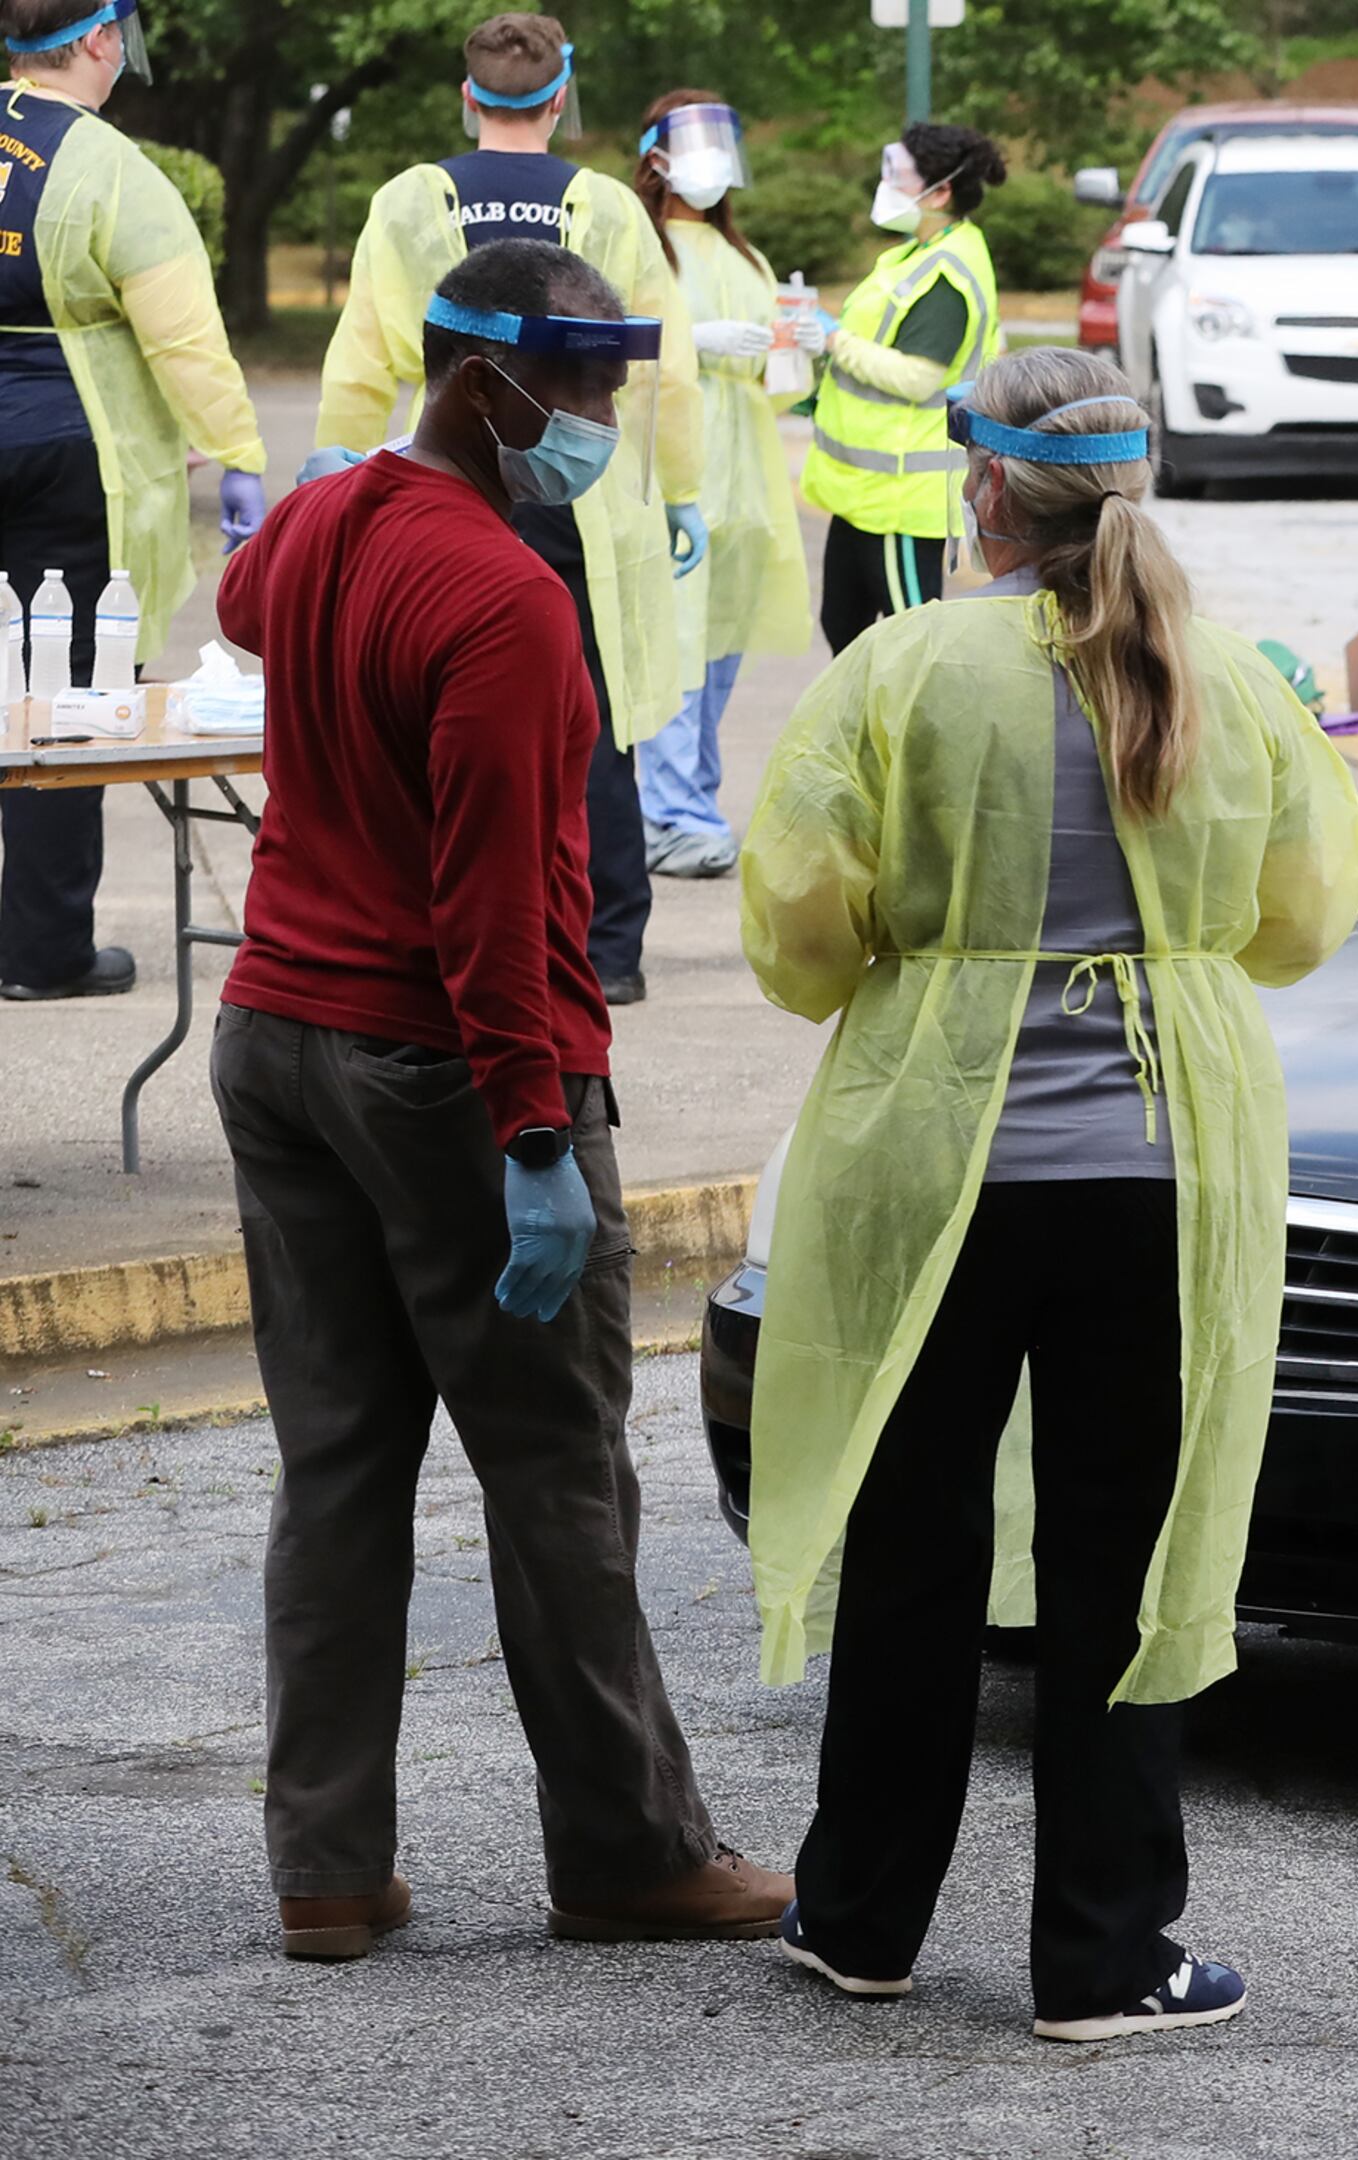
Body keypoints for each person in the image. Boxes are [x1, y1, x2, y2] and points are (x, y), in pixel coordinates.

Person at [739, 346, 1358, 2038]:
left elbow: (801, 916)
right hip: (1163, 1176)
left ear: (984, 493)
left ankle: (860, 1917)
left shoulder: (904, 665)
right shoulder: (1223, 674)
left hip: (938, 1161)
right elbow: (1307, 912)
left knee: (914, 1543)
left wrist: (906, 961)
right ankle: (1105, 1958)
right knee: (1125, 1556)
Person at [211, 239, 792, 1960]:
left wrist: (338, 514)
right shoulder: (509, 600)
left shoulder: (321, 521)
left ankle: (327, 1871)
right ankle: (627, 1852)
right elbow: (495, 912)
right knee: (555, 1472)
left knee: (336, 1468)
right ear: (490, 384)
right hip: (440, 1074)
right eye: (588, 388)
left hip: (275, 1040)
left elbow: (244, 614)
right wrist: (536, 1139)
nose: (603, 421)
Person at [316, 10, 706, 1006]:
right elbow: (666, 365)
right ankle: (607, 951)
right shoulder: (607, 206)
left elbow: (366, 348)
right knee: (591, 715)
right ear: (562, 98)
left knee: (448, 711)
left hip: (449, 478)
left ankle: (459, 935)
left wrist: (334, 463)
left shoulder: (412, 200)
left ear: (467, 95)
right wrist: (684, 487)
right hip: (580, 493)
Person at [0, 0, 268, 1002]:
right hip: (71, 453)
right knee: (62, 695)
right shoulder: (111, 167)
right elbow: (183, 336)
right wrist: (238, 451)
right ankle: (43, 950)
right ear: (103, 40)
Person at [627, 90, 806, 879]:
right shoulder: (636, 245)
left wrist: (791, 346)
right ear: (655, 155)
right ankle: (670, 813)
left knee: (719, 649)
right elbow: (615, 350)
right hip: (675, 475)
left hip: (746, 481)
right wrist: (688, 343)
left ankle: (688, 800)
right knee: (676, 645)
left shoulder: (747, 257)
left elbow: (779, 383)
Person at [801, 120, 1008, 653]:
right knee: (842, 627)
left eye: (899, 175)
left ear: (940, 192)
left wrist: (833, 340)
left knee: (911, 645)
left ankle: (909, 739)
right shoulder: (913, 254)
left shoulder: (946, 274)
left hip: (901, 499)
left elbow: (920, 378)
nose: (886, 183)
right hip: (865, 495)